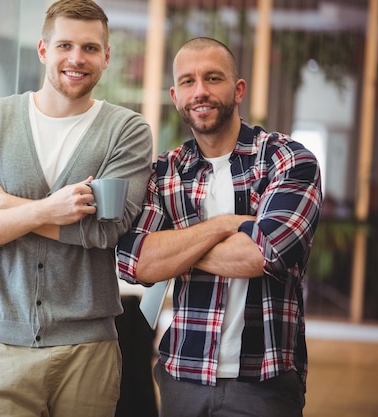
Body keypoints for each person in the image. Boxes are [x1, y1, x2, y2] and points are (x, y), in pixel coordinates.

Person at [0, 1, 153, 416]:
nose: (76, 58)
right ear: (43, 49)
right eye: (65, 45)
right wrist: (46, 211)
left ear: (106, 56)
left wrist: (2, 205)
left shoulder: (126, 131)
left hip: (88, 352)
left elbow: (107, 231)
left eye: (90, 48)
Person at [116, 37, 323, 417]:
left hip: (264, 379)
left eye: (213, 78)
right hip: (182, 376)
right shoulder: (165, 172)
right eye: (189, 82)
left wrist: (175, 251)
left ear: (238, 89)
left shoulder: (288, 160)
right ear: (176, 96)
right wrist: (225, 226)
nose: (201, 91)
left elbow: (265, 252)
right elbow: (135, 262)